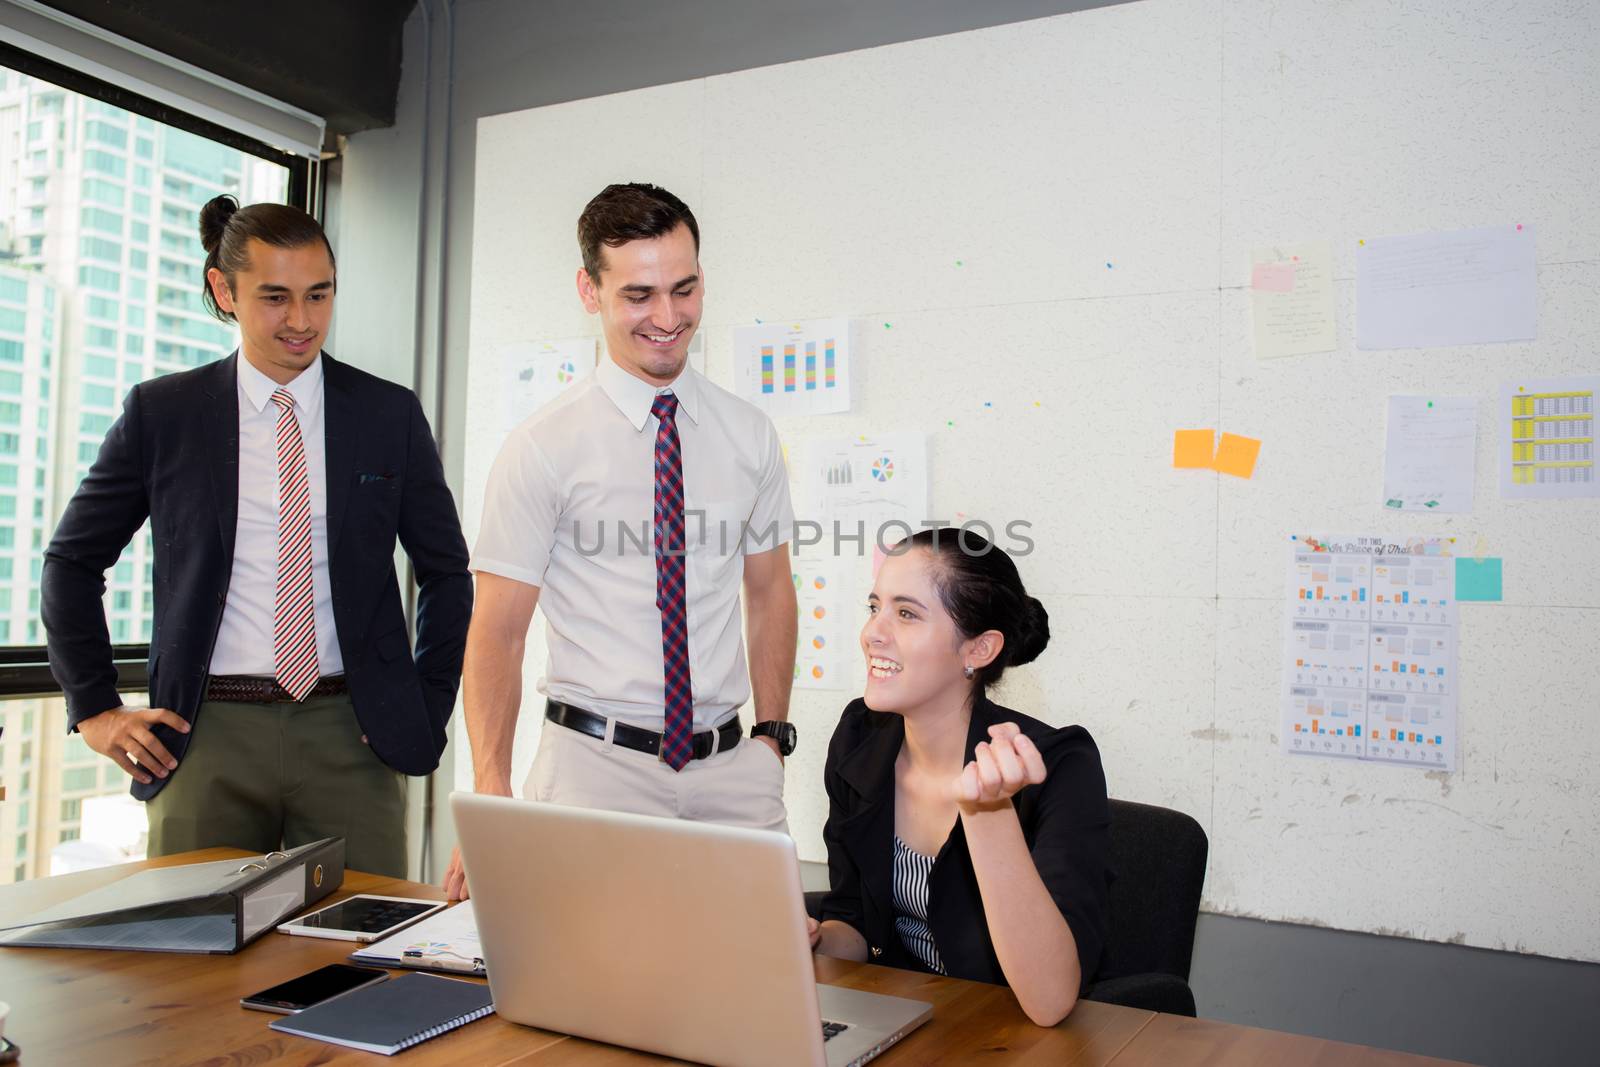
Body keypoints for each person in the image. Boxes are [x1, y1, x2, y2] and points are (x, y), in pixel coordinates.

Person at [41, 196, 472, 878]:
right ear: (224, 289)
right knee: (189, 961)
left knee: (358, 962)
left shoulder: (388, 413)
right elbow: (71, 561)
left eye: (318, 295)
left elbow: (448, 573)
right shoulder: (164, 414)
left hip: (352, 734)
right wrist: (94, 706)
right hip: (202, 734)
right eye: (275, 297)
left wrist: (425, 706)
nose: (301, 321)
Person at [443, 183, 798, 900]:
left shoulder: (749, 433)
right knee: (584, 999)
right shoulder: (542, 447)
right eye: (639, 294)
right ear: (589, 290)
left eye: (685, 288)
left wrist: (772, 737)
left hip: (733, 775)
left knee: (750, 997)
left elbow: (769, 592)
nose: (668, 317)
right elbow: (499, 631)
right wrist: (492, 792)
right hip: (592, 774)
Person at [809, 528, 1111, 1027]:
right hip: (902, 1021)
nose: (872, 633)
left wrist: (988, 813)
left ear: (979, 649)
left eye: (905, 613)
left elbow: (1051, 1000)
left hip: (1011, 1036)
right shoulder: (859, 739)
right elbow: (854, 923)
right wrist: (816, 941)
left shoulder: (1059, 764)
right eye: (873, 607)